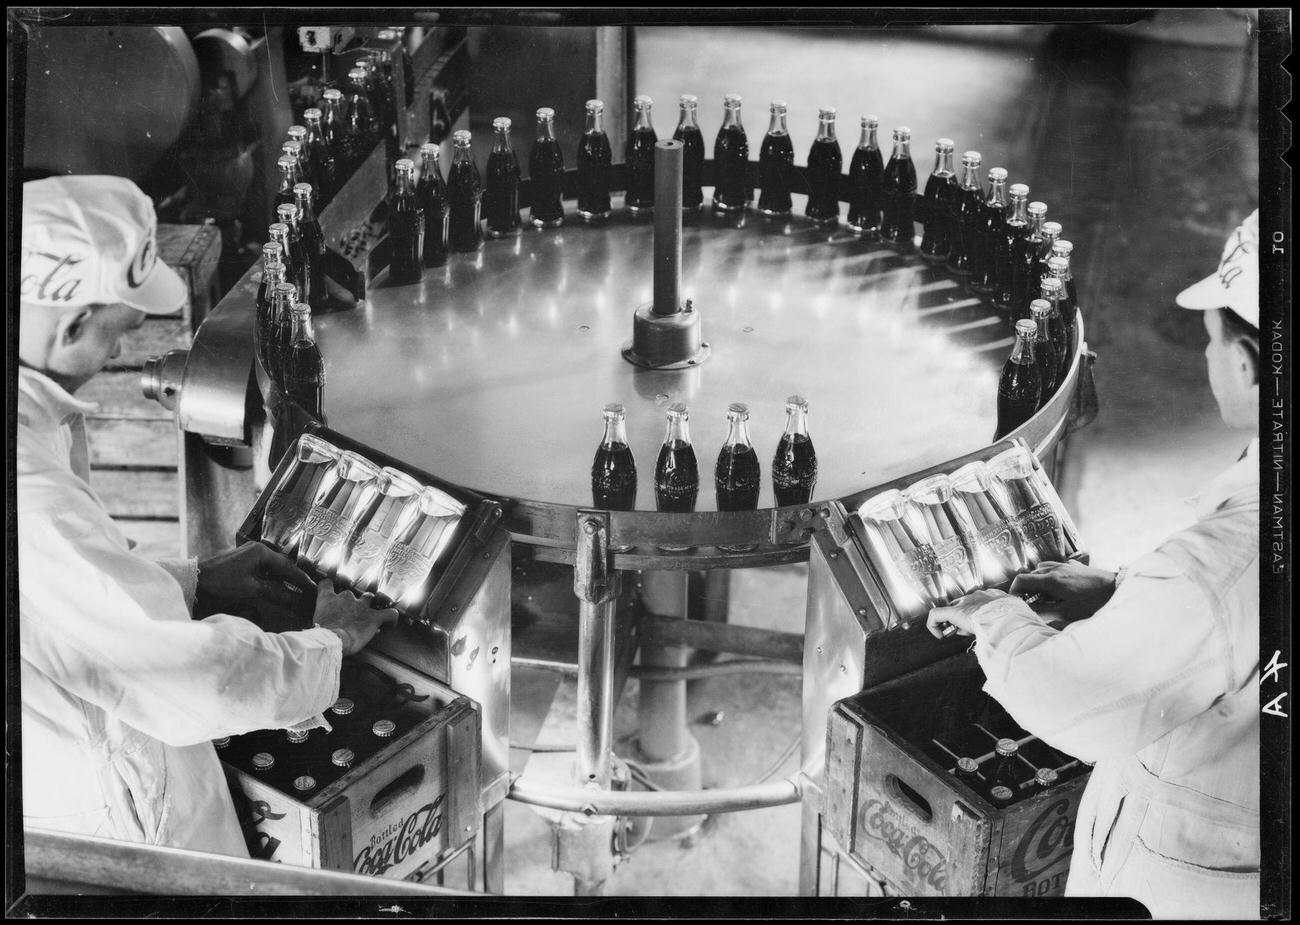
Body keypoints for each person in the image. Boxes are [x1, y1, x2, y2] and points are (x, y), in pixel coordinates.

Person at [17, 175, 399, 857]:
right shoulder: (30, 486)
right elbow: (189, 676)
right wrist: (328, 644)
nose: (116, 355)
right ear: (72, 324)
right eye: (116, 336)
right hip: (113, 810)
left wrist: (199, 581)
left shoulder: (32, 430)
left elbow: (60, 595)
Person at [928, 210, 1260, 919]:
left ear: (1246, 363)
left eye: (1212, 340)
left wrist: (996, 615)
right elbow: (1242, 639)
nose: (1208, 360)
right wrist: (1125, 593)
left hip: (1200, 878)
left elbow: (1070, 696)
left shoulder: (1223, 558)